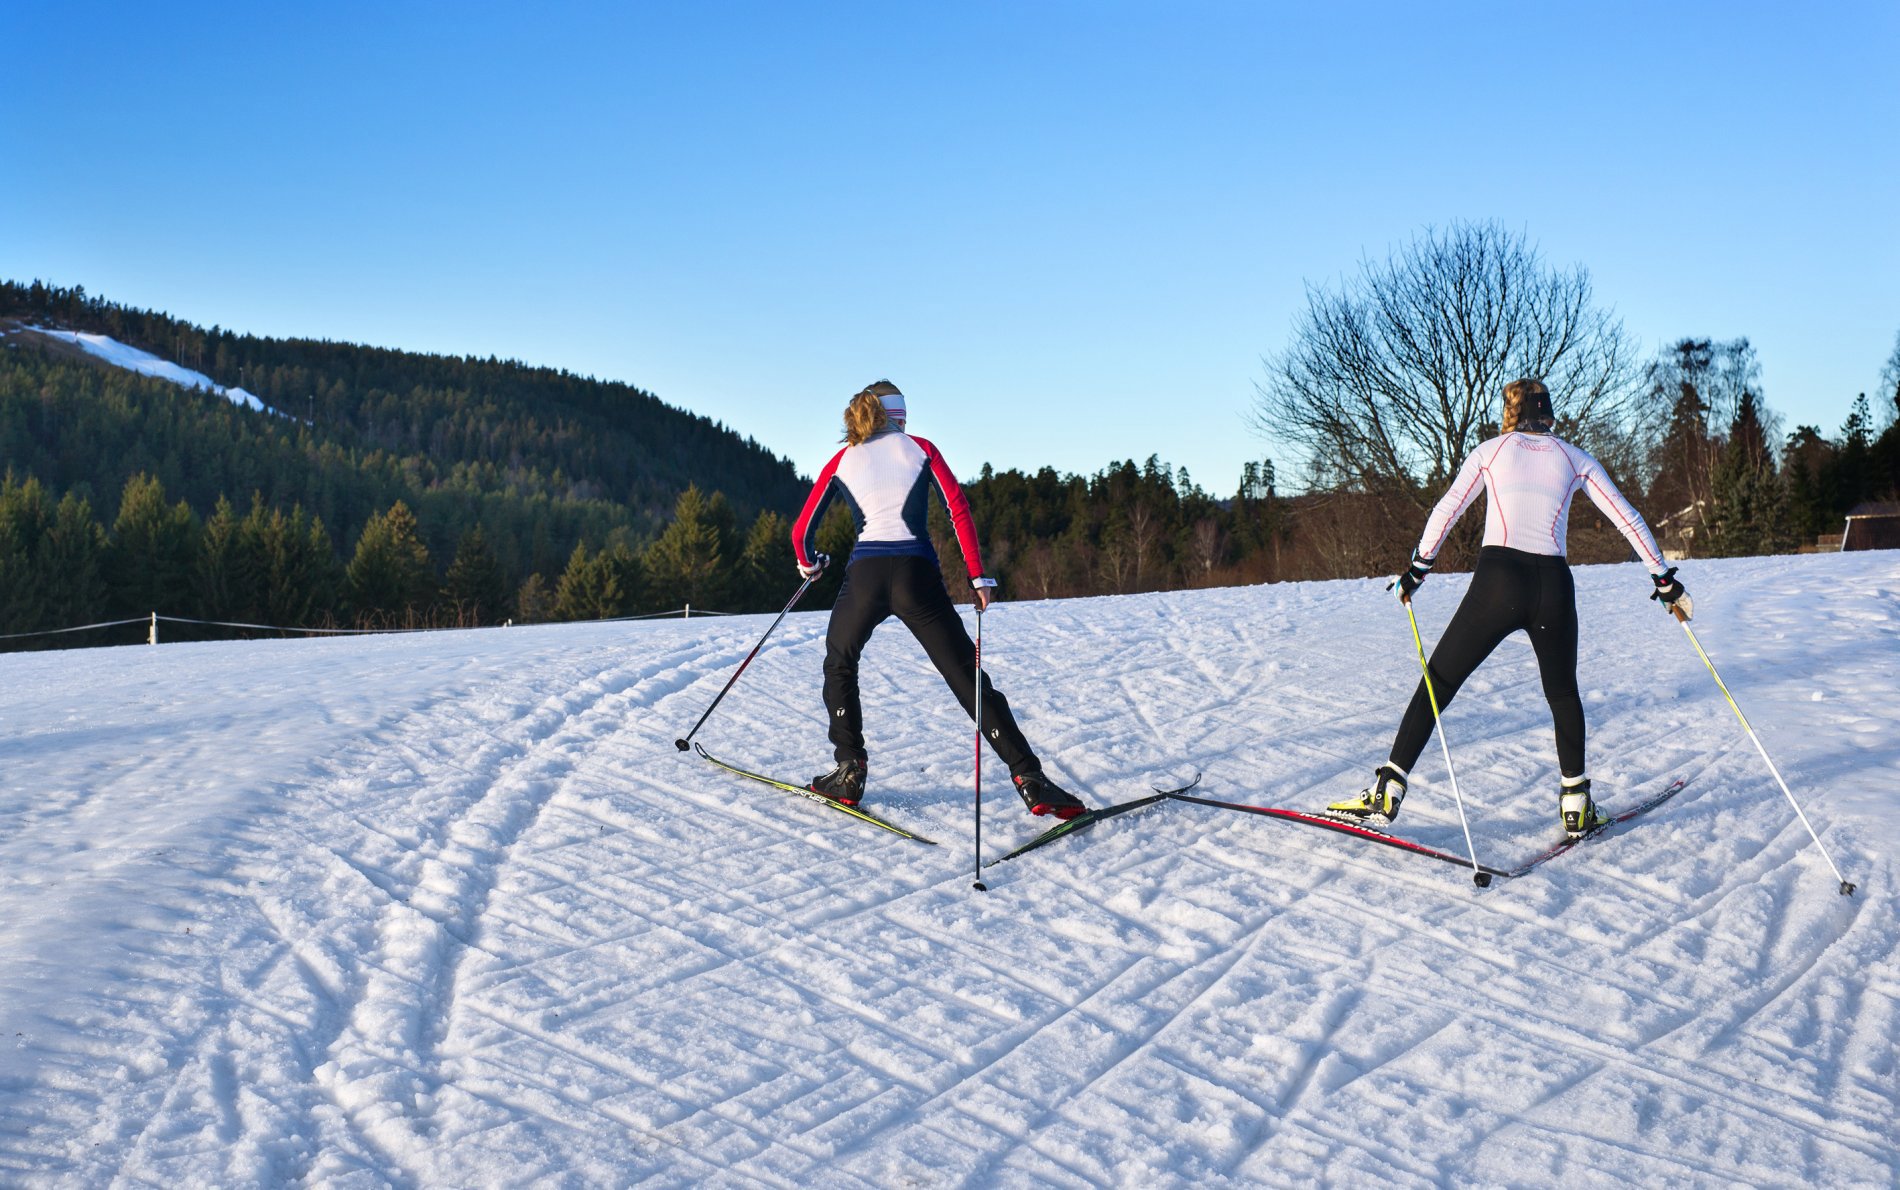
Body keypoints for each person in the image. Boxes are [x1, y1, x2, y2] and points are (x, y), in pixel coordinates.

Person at [1329, 378, 1691, 837]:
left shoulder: (1492, 451)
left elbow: (1446, 510)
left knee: (1439, 681)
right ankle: (1576, 802)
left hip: (1498, 583)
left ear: (1513, 413)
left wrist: (1416, 572)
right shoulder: (1573, 457)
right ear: (1550, 412)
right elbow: (1628, 517)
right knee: (1562, 694)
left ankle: (1388, 789)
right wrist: (1663, 578)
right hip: (1554, 589)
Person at [790, 380, 1086, 819]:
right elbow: (958, 507)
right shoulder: (921, 448)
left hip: (866, 576)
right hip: (918, 577)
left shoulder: (842, 459)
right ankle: (1031, 779)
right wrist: (977, 575)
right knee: (967, 678)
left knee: (839, 661)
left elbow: (801, 532)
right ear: (899, 415)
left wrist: (809, 564)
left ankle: (849, 771)